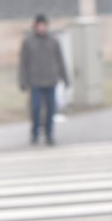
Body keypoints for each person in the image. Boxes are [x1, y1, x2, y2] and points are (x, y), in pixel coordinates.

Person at [19, 14, 69, 146]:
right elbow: (23, 63)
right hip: (35, 81)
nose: (42, 28)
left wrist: (65, 78)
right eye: (39, 25)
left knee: (51, 109)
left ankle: (49, 134)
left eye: (44, 25)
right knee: (35, 108)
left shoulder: (53, 41)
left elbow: (60, 61)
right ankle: (35, 133)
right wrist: (23, 81)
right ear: (35, 27)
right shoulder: (28, 42)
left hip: (51, 80)